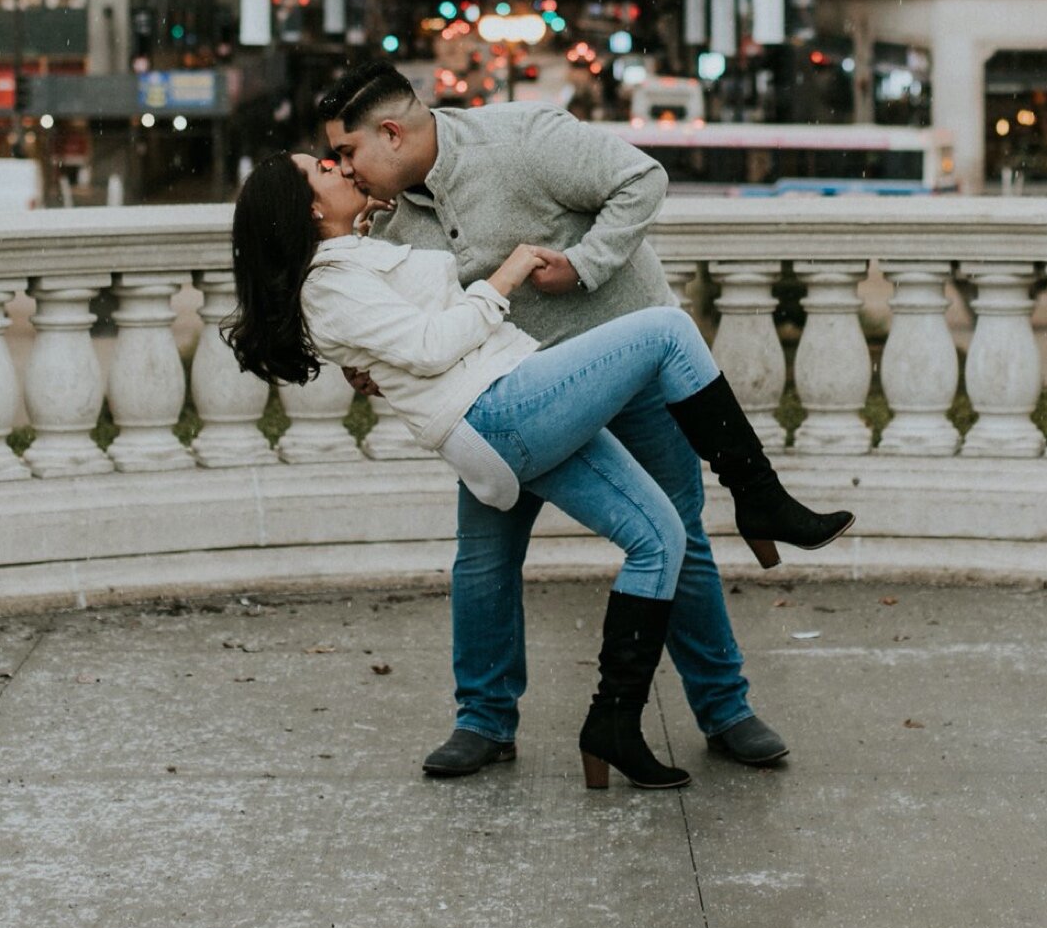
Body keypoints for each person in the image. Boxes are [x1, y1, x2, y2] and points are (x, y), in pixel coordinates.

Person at [225, 148, 854, 791]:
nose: (341, 165)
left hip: (519, 394)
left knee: (661, 538)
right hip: (499, 406)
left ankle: (614, 725)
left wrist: (376, 276)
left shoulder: (383, 231)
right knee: (668, 330)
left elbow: (406, 338)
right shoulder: (328, 279)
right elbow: (426, 345)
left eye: (343, 152)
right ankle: (760, 497)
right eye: (326, 166)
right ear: (307, 205)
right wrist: (509, 273)